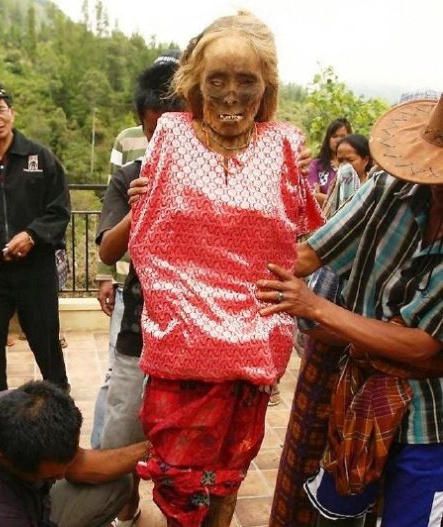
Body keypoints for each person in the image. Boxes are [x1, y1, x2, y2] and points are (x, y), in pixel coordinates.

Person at [127, 11, 323, 527]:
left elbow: (314, 240)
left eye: (246, 81)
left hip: (250, 351)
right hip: (179, 348)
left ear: (266, 86)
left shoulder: (285, 145)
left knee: (227, 478)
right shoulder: (168, 134)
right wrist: (138, 203)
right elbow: (144, 238)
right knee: (178, 485)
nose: (231, 94)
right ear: (195, 82)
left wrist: (283, 294)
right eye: (217, 79)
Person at [256, 94, 443, 527]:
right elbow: (307, 254)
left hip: (432, 413)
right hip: (359, 390)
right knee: (338, 515)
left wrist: (318, 308)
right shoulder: (390, 187)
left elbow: (421, 345)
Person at [94, 54, 184, 526]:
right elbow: (109, 250)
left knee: (185, 440)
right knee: (121, 430)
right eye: (154, 135)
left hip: (192, 333)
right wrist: (137, 210)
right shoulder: (130, 175)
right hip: (137, 323)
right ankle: (125, 509)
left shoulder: (215, 177)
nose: (163, 144)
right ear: (144, 129)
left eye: (173, 131)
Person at [269, 134, 373, 527]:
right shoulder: (370, 200)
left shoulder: (371, 201)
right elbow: (310, 309)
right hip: (339, 365)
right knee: (321, 470)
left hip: (365, 374)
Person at [0, 78, 70, 396]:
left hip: (36, 271)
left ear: (12, 112)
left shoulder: (41, 158)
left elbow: (60, 211)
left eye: (0, 109)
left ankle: (60, 409)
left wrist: (33, 235)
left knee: (46, 345)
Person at [0, 380, 150, 527]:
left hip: (35, 506)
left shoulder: (13, 405)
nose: (61, 477)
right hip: (15, 515)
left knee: (118, 483)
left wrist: (152, 448)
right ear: (4, 459)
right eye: (51, 475)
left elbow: (81, 466)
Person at [307, 117, 352, 206]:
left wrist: (323, 197)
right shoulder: (315, 165)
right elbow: (311, 196)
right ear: (328, 139)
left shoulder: (355, 165)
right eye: (334, 136)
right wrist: (345, 202)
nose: (338, 140)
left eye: (343, 136)